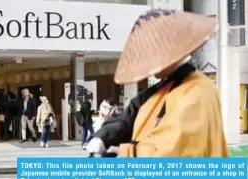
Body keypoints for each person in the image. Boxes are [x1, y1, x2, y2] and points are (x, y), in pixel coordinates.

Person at [86, 9, 228, 157]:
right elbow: (130, 114)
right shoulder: (168, 86)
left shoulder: (198, 92)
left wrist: (126, 152)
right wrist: (102, 137)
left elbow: (173, 152)